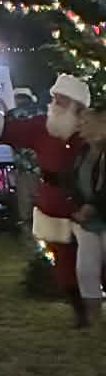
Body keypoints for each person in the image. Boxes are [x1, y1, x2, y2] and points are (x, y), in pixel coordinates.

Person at [0, 76, 94, 324]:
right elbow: (9, 130)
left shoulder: (90, 130)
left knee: (93, 260)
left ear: (75, 104)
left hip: (87, 205)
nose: (53, 104)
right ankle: (79, 311)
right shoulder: (43, 126)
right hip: (54, 205)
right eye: (54, 99)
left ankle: (91, 303)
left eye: (60, 100)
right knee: (63, 263)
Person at [73, 109, 106, 324]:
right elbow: (75, 179)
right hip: (87, 220)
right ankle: (93, 316)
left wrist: (93, 206)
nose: (80, 128)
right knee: (85, 269)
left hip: (99, 214)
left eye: (85, 123)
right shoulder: (84, 151)